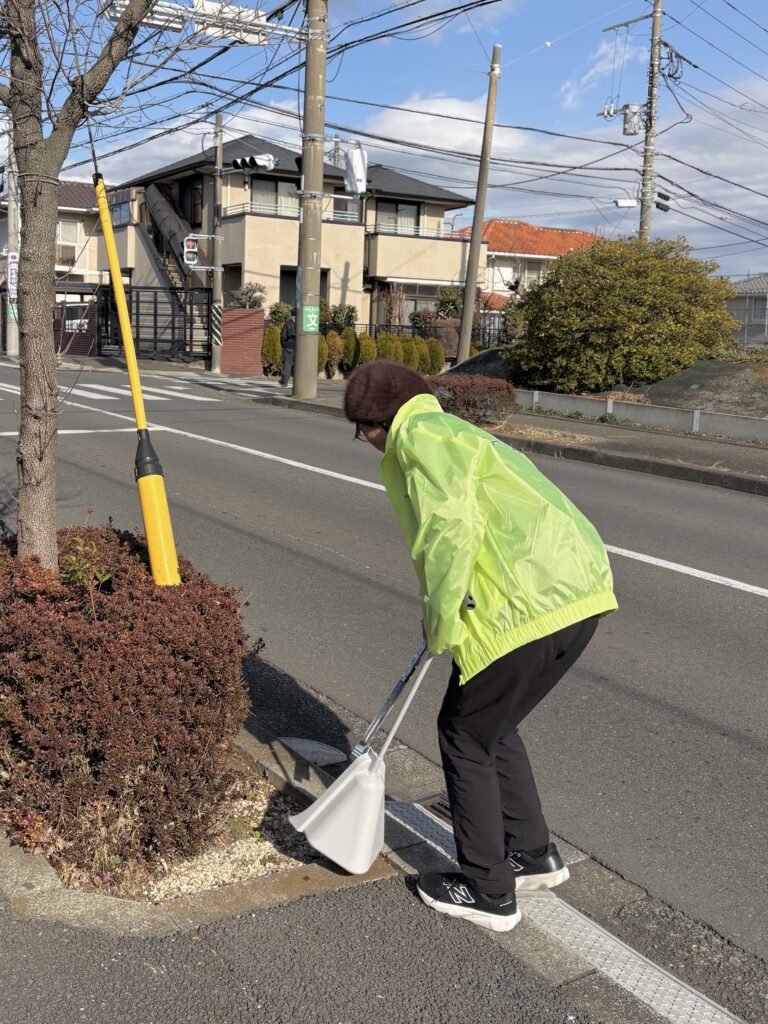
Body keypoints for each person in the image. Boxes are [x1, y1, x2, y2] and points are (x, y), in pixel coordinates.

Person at [344, 361, 618, 933]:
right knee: (493, 726)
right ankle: (532, 854)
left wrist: (440, 618)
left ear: (376, 424)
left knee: (463, 734)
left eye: (362, 432)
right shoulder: (458, 432)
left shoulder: (419, 438)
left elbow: (450, 527)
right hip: (578, 595)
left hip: (525, 606)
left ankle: (489, 890)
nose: (366, 444)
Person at [279, 311, 297, 387]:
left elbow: (283, 336)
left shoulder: (288, 323)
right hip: (299, 347)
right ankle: (300, 383)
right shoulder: (302, 323)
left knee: (287, 365)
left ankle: (284, 382)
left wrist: (284, 344)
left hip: (289, 346)